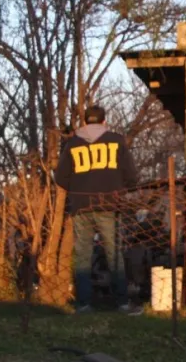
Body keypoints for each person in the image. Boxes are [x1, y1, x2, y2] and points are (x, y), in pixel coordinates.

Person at [55, 104, 141, 315]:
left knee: (83, 255)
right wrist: (121, 186)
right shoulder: (116, 140)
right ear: (104, 121)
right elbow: (131, 175)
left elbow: (60, 177)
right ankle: (122, 303)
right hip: (108, 205)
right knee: (114, 254)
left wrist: (78, 188)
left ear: (84, 122)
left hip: (81, 206)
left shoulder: (72, 144)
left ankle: (83, 304)